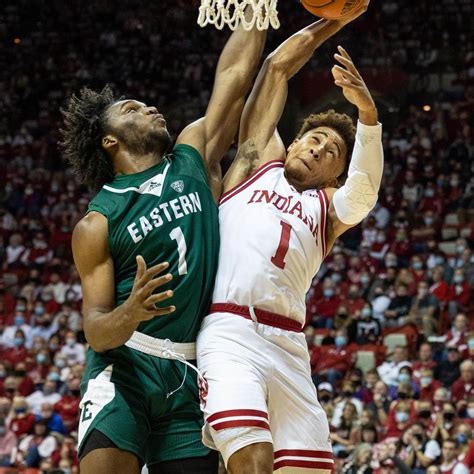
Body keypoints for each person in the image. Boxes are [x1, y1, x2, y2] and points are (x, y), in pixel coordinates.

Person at [60, 16, 267, 474]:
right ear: (109, 140)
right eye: (132, 109)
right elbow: (96, 330)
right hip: (124, 368)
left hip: (191, 370)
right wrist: (130, 312)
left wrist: (256, 11)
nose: (150, 108)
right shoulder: (97, 222)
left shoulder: (191, 156)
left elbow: (234, 77)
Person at [197, 2, 382, 472]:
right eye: (314, 138)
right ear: (293, 141)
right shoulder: (257, 162)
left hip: (289, 345)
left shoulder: (329, 209)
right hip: (231, 330)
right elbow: (275, 68)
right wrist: (332, 22)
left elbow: (363, 194)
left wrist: (368, 116)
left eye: (332, 151)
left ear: (335, 175)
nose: (319, 148)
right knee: (252, 459)